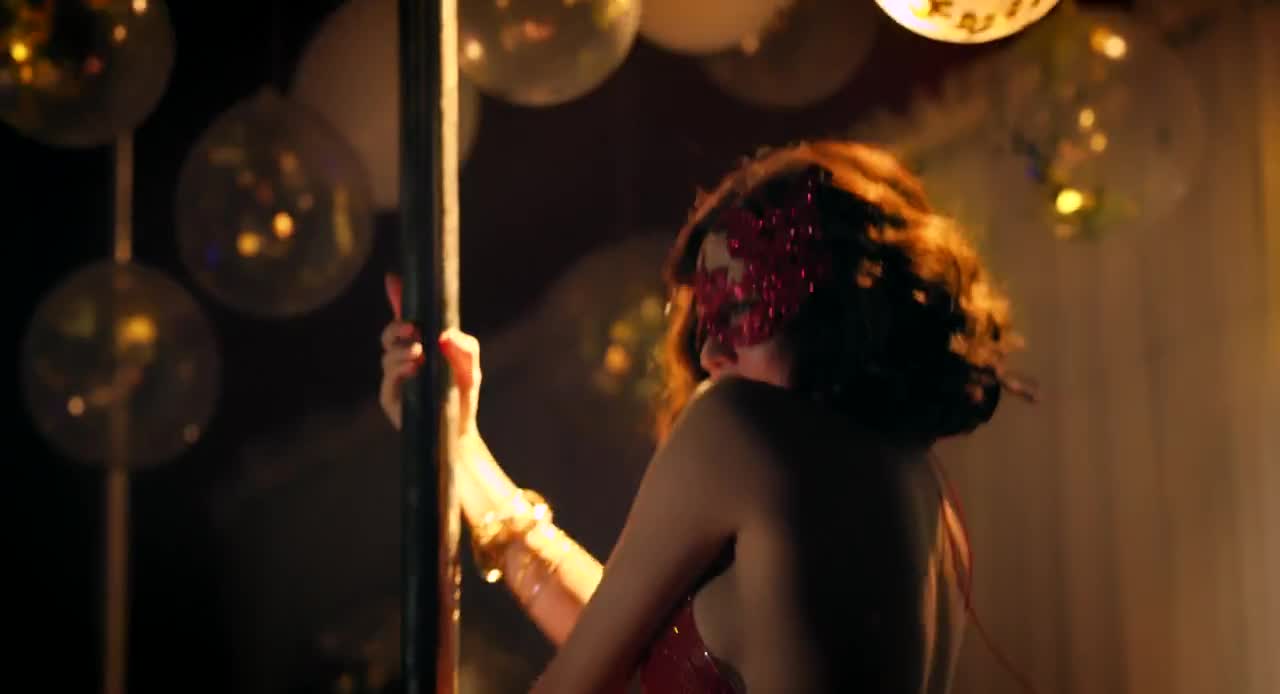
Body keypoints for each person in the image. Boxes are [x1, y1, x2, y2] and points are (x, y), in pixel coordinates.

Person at [379, 140, 1030, 693]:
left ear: (833, 307)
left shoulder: (738, 427)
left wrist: (427, 511)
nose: (713, 353)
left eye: (740, 310)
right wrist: (462, 454)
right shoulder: (926, 496)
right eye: (706, 320)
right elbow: (633, 641)